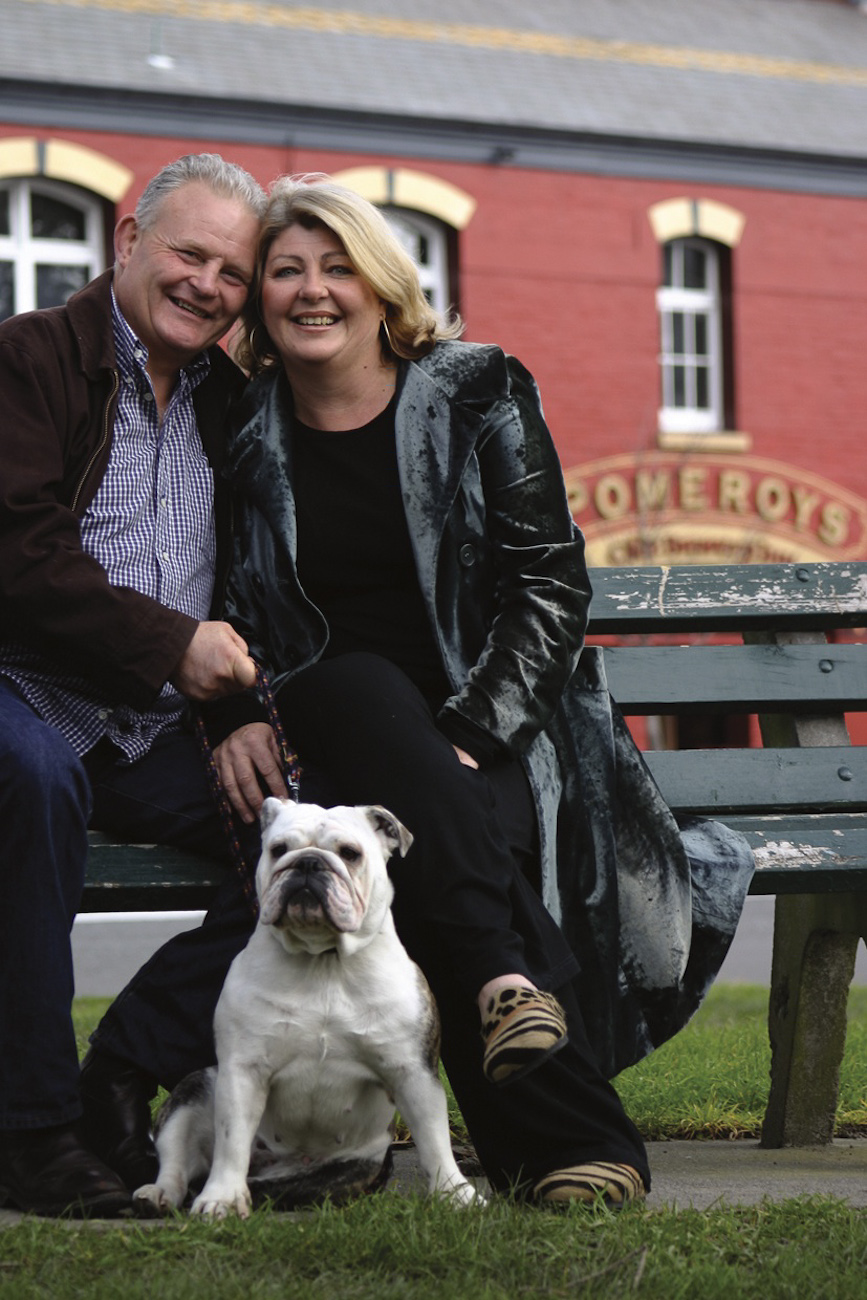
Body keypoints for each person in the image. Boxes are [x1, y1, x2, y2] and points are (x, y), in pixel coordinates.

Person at [205, 175, 754, 1208]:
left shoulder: (475, 389)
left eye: (337, 267)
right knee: (367, 687)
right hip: (331, 712)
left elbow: (549, 579)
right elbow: (230, 601)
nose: (312, 290)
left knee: (479, 825)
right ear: (261, 301)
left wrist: (474, 727)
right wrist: (235, 707)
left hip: (493, 712)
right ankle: (569, 1100)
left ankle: (530, 1147)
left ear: (381, 285)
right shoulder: (246, 434)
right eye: (286, 271)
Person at [0, 153, 269, 1217]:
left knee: (296, 828)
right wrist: (170, 647)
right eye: (188, 254)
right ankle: (29, 1132)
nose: (208, 283)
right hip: (22, 688)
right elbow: (18, 552)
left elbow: (254, 579)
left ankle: (120, 1061)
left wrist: (239, 711)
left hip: (157, 726)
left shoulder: (236, 402)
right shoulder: (29, 359)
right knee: (34, 786)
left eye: (233, 273)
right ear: (128, 244)